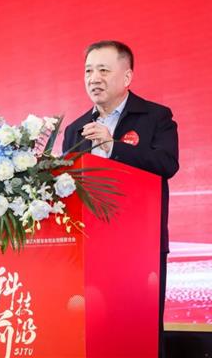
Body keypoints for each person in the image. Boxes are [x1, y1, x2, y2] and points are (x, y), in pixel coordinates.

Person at [62, 40, 179, 358]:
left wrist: (113, 147)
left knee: (139, 330)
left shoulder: (155, 116)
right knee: (94, 331)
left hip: (141, 246)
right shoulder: (75, 129)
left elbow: (167, 164)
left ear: (127, 77)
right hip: (89, 247)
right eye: (88, 71)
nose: (94, 78)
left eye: (103, 70)